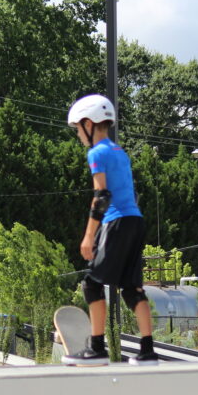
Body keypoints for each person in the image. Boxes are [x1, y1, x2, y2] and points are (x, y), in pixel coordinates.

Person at [63, 94, 157, 365]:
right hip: (135, 221)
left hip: (116, 222)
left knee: (92, 284)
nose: (79, 135)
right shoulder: (119, 151)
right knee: (132, 289)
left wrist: (89, 235)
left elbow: (102, 196)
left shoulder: (97, 153)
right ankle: (148, 351)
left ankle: (96, 349)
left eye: (78, 129)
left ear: (89, 124)